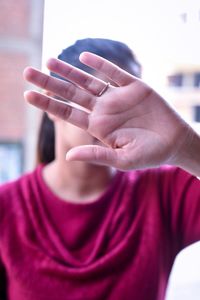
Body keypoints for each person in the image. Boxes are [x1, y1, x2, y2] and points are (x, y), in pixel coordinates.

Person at [0, 38, 199, 300]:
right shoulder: (7, 206)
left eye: (129, 101)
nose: (118, 115)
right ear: (53, 105)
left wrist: (184, 144)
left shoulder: (165, 192)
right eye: (101, 95)